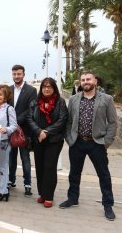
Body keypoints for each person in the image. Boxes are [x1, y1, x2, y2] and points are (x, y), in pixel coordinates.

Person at [59, 71, 118, 221]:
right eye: (83, 80)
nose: (86, 82)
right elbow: (69, 122)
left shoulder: (106, 99)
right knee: (74, 173)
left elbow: (112, 122)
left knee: (103, 175)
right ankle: (73, 198)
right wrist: (69, 138)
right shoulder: (73, 99)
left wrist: (107, 142)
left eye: (88, 79)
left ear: (95, 81)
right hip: (77, 142)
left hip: (97, 143)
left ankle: (107, 204)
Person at [27, 77, 68, 208]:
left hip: (54, 140)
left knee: (50, 167)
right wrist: (39, 132)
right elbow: (29, 118)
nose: (46, 89)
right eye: (44, 86)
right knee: (39, 167)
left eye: (49, 86)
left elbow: (62, 120)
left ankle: (49, 196)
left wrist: (47, 132)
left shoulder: (60, 102)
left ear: (54, 88)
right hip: (38, 139)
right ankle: (42, 194)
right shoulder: (35, 102)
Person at [9, 64, 37, 196]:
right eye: (14, 74)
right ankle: (11, 180)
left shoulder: (31, 90)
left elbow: (30, 109)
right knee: (11, 158)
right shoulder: (8, 89)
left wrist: (16, 121)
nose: (16, 76)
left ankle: (27, 184)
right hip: (10, 130)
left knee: (25, 158)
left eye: (19, 74)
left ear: (23, 74)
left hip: (24, 130)